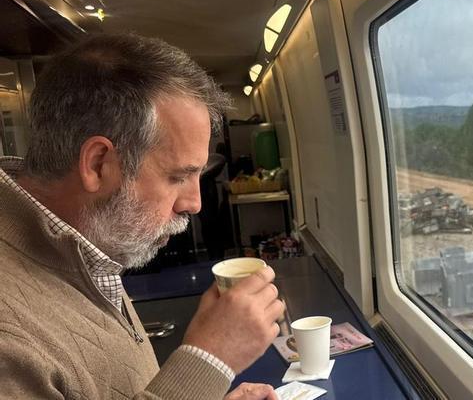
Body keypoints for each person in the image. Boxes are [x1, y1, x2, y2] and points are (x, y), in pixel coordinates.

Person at [0, 34, 283, 399]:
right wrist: (207, 361)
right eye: (178, 176)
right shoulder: (10, 335)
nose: (194, 203)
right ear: (99, 164)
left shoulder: (86, 250)